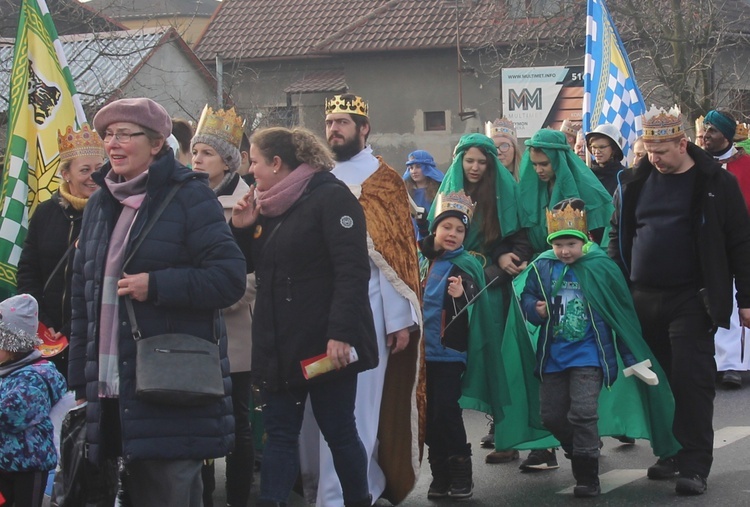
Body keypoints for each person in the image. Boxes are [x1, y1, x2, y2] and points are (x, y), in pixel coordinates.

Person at [68, 97, 246, 507]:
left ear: (155, 144)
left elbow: (229, 279)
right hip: (110, 388)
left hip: (168, 385)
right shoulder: (99, 204)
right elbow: (84, 298)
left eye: (125, 135)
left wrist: (158, 285)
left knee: (168, 492)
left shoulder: (188, 197)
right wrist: (81, 378)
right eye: (108, 135)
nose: (113, 144)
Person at [230, 126, 377, 507]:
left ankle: (358, 501)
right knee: (279, 434)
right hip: (280, 342)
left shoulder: (331, 198)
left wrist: (341, 333)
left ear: (277, 163)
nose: (251, 171)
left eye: (256, 162)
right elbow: (252, 269)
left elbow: (352, 270)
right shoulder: (269, 206)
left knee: (339, 431)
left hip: (326, 345)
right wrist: (242, 232)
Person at [609, 104, 750, 495]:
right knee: (659, 382)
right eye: (649, 151)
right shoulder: (634, 181)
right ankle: (669, 450)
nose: (655, 159)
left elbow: (740, 241)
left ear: (683, 143)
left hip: (692, 296)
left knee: (691, 380)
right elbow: (617, 236)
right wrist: (615, 286)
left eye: (663, 151)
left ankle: (694, 463)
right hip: (642, 296)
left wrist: (746, 298)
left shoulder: (715, 182)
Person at [299, 94, 423, 506]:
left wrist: (397, 321)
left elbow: (395, 257)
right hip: (316, 309)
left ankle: (346, 495)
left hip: (366, 311)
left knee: (358, 408)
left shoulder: (384, 180)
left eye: (342, 123)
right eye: (329, 122)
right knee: (315, 413)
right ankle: (324, 489)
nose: (333, 129)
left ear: (364, 128)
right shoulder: (315, 175)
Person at [508, 199, 678, 496]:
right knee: (551, 415)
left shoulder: (599, 267)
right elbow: (527, 297)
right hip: (552, 357)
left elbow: (618, 314)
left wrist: (631, 357)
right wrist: (534, 309)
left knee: (584, 413)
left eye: (571, 243)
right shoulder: (542, 267)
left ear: (584, 241)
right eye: (559, 244)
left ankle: (587, 476)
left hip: (589, 355)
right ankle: (581, 449)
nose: (565, 251)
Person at [510, 129, 614, 470]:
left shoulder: (588, 187)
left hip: (582, 275)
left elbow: (599, 237)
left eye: (545, 163)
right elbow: (523, 232)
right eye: (535, 164)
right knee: (541, 376)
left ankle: (585, 452)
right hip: (541, 277)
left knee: (582, 399)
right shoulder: (529, 187)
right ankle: (549, 443)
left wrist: (576, 255)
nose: (539, 170)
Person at [431, 133, 530, 465]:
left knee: (494, 361)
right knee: (448, 370)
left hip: (489, 288)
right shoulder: (447, 195)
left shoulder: (506, 193)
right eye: (468, 160)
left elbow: (518, 237)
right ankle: (446, 448)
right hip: (449, 287)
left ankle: (506, 435)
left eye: (481, 161)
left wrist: (505, 257)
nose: (474, 167)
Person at [191, 105, 256, 507]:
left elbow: (256, 270)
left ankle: (237, 498)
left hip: (235, 328)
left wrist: (223, 295)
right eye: (195, 152)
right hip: (194, 327)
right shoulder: (183, 200)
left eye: (207, 153)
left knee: (239, 421)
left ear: (228, 162)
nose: (197, 159)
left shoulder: (249, 202)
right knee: (197, 419)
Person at [17, 123, 105, 378]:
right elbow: (28, 270)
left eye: (99, 169)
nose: (93, 177)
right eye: (85, 170)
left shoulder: (111, 214)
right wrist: (41, 321)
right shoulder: (45, 213)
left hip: (90, 333)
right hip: (42, 334)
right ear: (66, 174)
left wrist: (68, 328)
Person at [419, 191, 484, 500]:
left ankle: (461, 470)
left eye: (459, 230)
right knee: (427, 415)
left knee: (446, 410)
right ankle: (440, 473)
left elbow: (476, 298)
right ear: (435, 229)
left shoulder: (468, 264)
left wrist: (462, 293)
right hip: (420, 355)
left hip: (449, 353)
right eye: (447, 227)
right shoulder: (423, 259)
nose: (453, 234)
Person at [0, 294, 67, 507]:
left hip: (26, 468)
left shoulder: (34, 377)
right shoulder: (7, 370)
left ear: (12, 344)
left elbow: (12, 415)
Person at [700, 109, 750, 389]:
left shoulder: (745, 165)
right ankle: (714, 361)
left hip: (738, 241)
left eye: (713, 131)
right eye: (705, 129)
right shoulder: (694, 163)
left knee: (735, 303)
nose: (706, 135)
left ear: (726, 136)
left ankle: (733, 365)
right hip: (707, 242)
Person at [403, 149, 443, 239]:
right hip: (411, 236)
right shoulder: (405, 191)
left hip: (431, 236)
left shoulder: (439, 190)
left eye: (418, 166)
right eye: (411, 168)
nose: (414, 171)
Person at [585, 124, 626, 195]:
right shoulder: (588, 175)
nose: (597, 152)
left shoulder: (623, 176)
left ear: (614, 149)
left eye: (602, 147)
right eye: (594, 147)